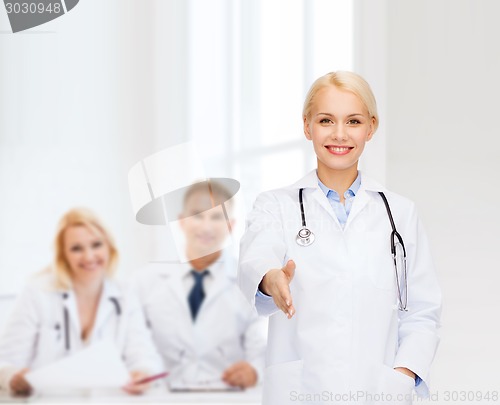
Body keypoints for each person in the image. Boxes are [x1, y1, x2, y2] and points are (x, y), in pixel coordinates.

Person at [238, 71, 442, 404]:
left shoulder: (400, 214)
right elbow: (256, 255)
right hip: (301, 391)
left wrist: (401, 378)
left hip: (379, 394)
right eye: (325, 120)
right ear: (307, 126)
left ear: (371, 128)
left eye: (354, 121)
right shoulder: (276, 205)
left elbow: (423, 311)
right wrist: (271, 278)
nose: (339, 134)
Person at [0, 208, 163, 396]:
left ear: (109, 247)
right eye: (76, 248)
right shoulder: (37, 293)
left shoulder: (125, 294)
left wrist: (142, 373)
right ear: (63, 255)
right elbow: (5, 361)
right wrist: (13, 378)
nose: (89, 256)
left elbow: (144, 355)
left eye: (96, 245)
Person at [134, 180, 266, 390]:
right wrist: (140, 371)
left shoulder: (250, 282)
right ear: (182, 221)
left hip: (225, 398)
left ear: (230, 225)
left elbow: (261, 351)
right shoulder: (145, 282)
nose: (206, 226)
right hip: (162, 398)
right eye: (197, 215)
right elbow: (135, 345)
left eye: (216, 217)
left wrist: (254, 372)